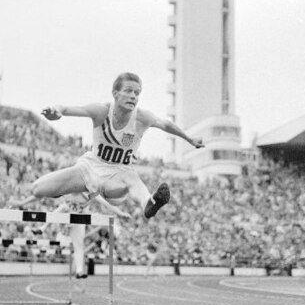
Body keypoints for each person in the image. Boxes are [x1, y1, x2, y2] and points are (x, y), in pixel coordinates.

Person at [33, 72, 204, 219]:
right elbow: (68, 108)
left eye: (137, 93)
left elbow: (166, 125)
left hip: (117, 175)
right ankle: (65, 190)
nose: (133, 96)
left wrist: (189, 139)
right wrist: (56, 111)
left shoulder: (142, 117)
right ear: (115, 93)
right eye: (128, 91)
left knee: (132, 177)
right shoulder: (101, 111)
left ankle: (149, 203)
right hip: (89, 168)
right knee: (38, 189)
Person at [12, 193, 130, 278]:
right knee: (61, 208)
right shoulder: (68, 185)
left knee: (79, 246)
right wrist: (22, 202)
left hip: (79, 219)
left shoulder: (91, 191)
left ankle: (79, 271)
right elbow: (44, 192)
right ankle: (42, 228)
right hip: (66, 214)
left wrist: (120, 213)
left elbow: (105, 202)